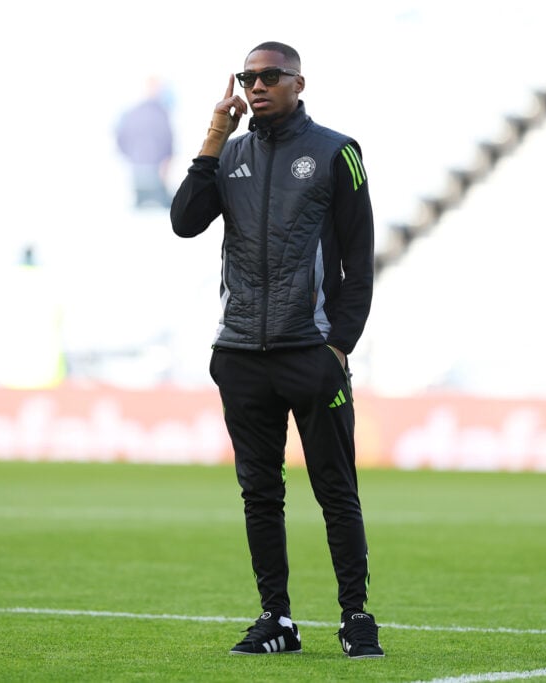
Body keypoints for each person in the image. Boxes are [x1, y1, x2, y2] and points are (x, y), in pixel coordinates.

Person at [170, 41, 383, 658]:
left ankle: (355, 616)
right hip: (240, 354)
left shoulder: (336, 152)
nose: (257, 86)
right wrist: (214, 134)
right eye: (248, 76)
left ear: (299, 83)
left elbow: (359, 258)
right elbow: (185, 220)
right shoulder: (229, 156)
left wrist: (339, 346)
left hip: (310, 352)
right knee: (260, 493)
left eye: (270, 76)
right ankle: (277, 620)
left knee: (334, 488)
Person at [114, 76, 174, 209]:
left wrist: (134, 158)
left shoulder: (132, 113)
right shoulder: (161, 114)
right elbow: (168, 147)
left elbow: (120, 139)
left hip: (137, 175)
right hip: (156, 176)